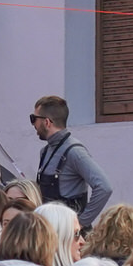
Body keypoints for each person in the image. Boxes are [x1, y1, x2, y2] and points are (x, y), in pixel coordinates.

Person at [29, 94, 114, 228]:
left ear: (47, 122)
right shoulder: (45, 151)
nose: (33, 124)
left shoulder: (74, 152)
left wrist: (81, 223)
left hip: (70, 235)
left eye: (34, 119)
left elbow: (104, 187)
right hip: (49, 231)